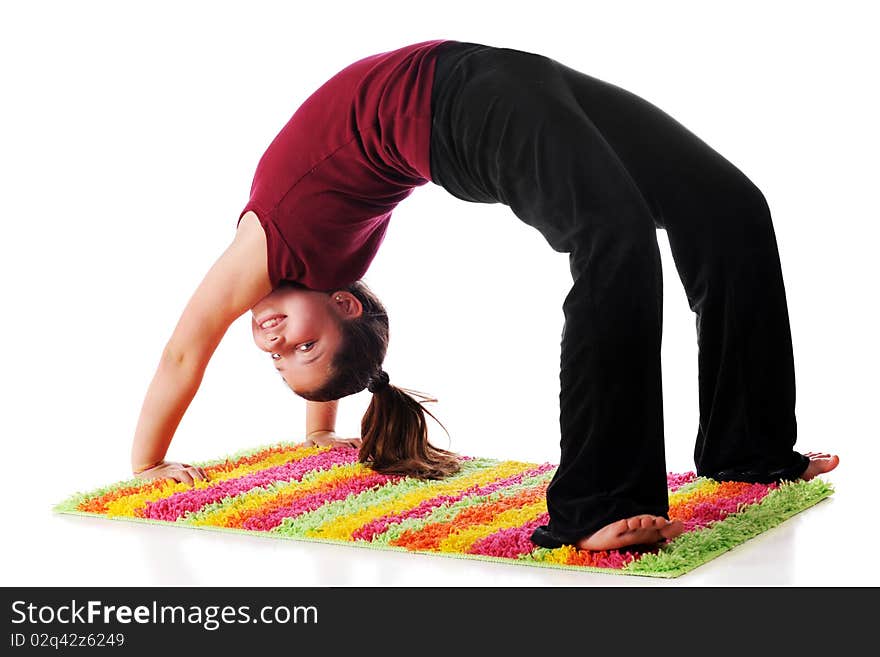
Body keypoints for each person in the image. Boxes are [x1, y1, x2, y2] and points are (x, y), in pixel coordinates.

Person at [129, 39, 839, 552]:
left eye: (287, 352)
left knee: (728, 206)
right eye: (294, 355)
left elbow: (185, 348)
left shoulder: (266, 246)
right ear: (347, 300)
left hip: (478, 87)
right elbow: (337, 339)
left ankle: (708, 461)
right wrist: (320, 430)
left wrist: (147, 464)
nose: (275, 343)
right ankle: (659, 480)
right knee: (618, 233)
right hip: (482, 93)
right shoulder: (325, 267)